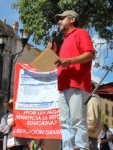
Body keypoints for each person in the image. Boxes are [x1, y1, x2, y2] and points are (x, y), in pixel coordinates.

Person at [46, 10, 94, 149]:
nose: (59, 21)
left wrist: (70, 61)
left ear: (72, 19)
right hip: (63, 86)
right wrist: (52, 52)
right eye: (58, 19)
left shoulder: (80, 33)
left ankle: (82, 147)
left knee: (77, 121)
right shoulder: (64, 41)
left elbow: (89, 54)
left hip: (77, 84)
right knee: (65, 123)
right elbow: (58, 62)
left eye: (62, 18)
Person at [87, 83, 102, 150]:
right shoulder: (91, 99)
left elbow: (91, 121)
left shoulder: (92, 100)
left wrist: (80, 130)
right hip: (89, 137)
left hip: (89, 137)